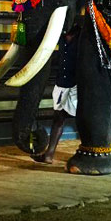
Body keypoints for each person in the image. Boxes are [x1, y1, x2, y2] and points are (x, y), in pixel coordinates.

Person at [32, 27, 79, 164]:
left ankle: (90, 150)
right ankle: (49, 155)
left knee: (79, 119)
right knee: (58, 118)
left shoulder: (82, 37)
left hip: (77, 85)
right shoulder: (61, 35)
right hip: (61, 84)